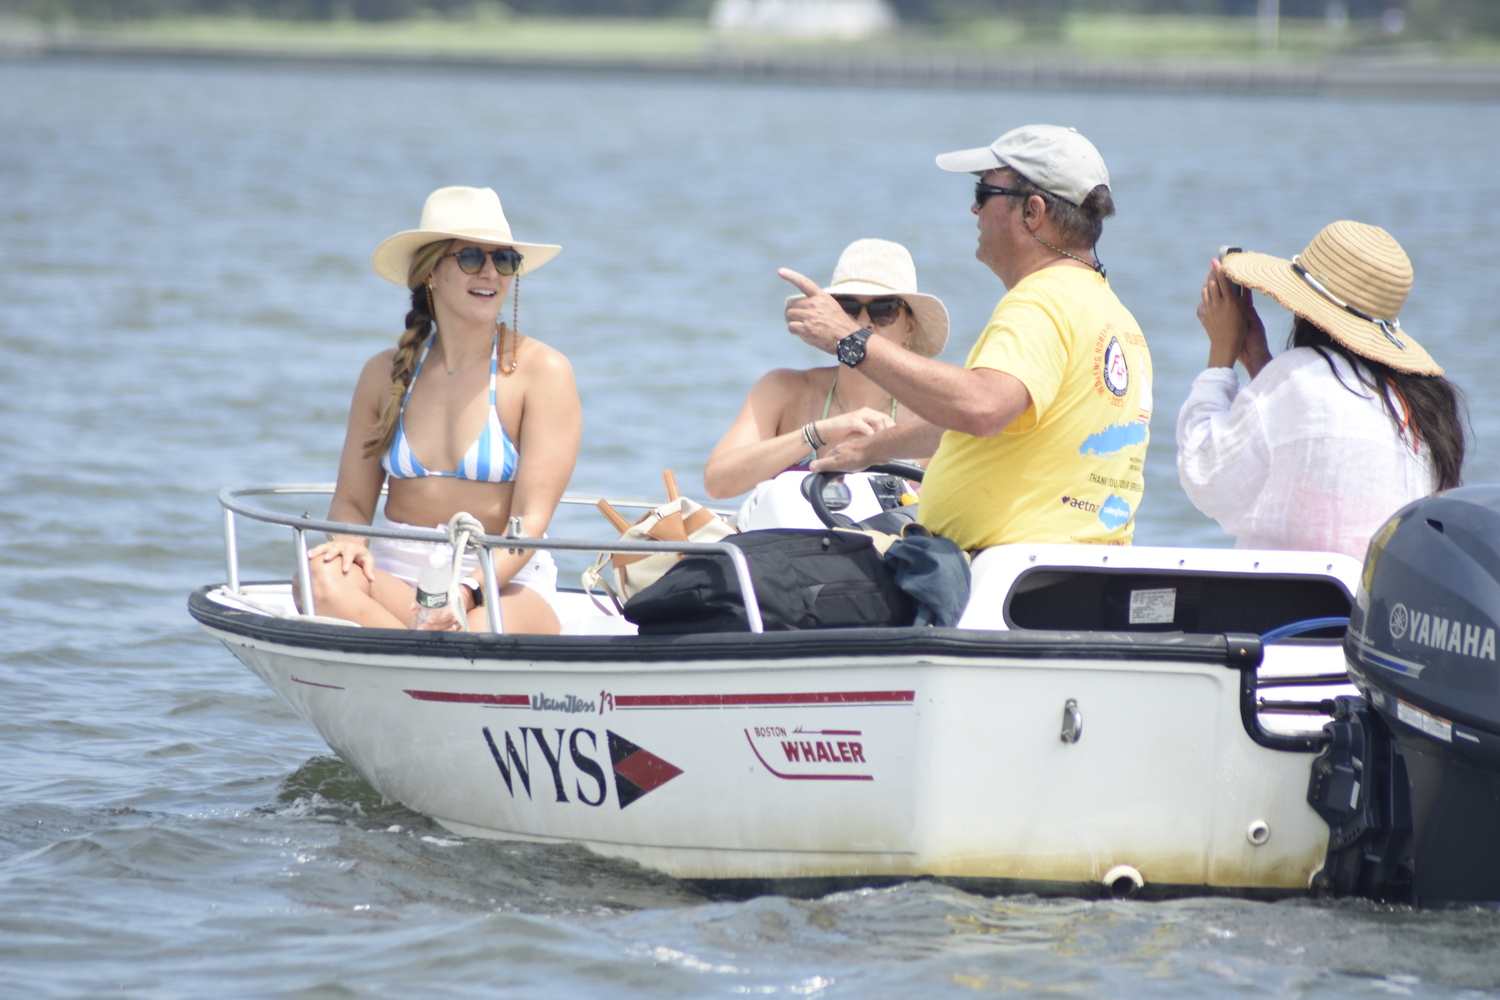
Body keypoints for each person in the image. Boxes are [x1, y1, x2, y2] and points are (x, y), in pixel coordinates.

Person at [780, 125, 1152, 551]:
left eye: (983, 193)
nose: (974, 210)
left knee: (753, 573)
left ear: (1032, 212)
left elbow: (982, 408)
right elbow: (989, 416)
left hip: (1002, 574)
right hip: (1071, 565)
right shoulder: (1114, 315)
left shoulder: (1041, 301)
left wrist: (851, 339)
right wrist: (870, 450)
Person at [304, 186, 582, 632]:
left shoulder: (543, 372)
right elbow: (352, 501)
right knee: (317, 578)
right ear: (430, 271)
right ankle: (421, 661)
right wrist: (350, 543)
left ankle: (414, 664)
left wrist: (466, 591)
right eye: (472, 257)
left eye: (504, 260)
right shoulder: (383, 374)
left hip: (501, 583)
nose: (491, 272)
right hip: (395, 577)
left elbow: (530, 522)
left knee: (472, 635)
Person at [1177, 220, 1464, 560]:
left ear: (1302, 310)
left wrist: (1221, 358)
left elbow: (1205, 476)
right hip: (1372, 608)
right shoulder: (1420, 409)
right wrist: (1261, 367)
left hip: (1293, 611)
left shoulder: (1295, 375)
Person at [703, 238, 949, 501]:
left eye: (883, 310)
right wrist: (818, 432)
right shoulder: (783, 388)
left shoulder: (933, 412)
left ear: (909, 329)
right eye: (848, 309)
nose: (863, 322)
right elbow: (718, 483)